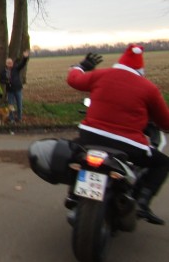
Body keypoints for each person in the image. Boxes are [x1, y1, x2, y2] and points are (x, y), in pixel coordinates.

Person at [67, 45, 169, 225]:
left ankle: (74, 193)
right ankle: (142, 203)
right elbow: (165, 121)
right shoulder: (149, 88)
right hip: (128, 145)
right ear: (140, 69)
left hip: (91, 137)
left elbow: (74, 79)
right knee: (162, 163)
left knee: (76, 153)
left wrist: (82, 66)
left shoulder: (101, 75)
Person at [0, 50, 30, 122]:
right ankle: (12, 119)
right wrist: (6, 81)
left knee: (19, 105)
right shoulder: (3, 71)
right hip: (10, 91)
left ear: (12, 63)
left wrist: (25, 57)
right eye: (8, 63)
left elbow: (22, 64)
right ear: (6, 64)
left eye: (11, 63)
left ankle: (19, 118)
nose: (10, 64)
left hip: (18, 89)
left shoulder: (16, 68)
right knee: (11, 105)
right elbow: (1, 80)